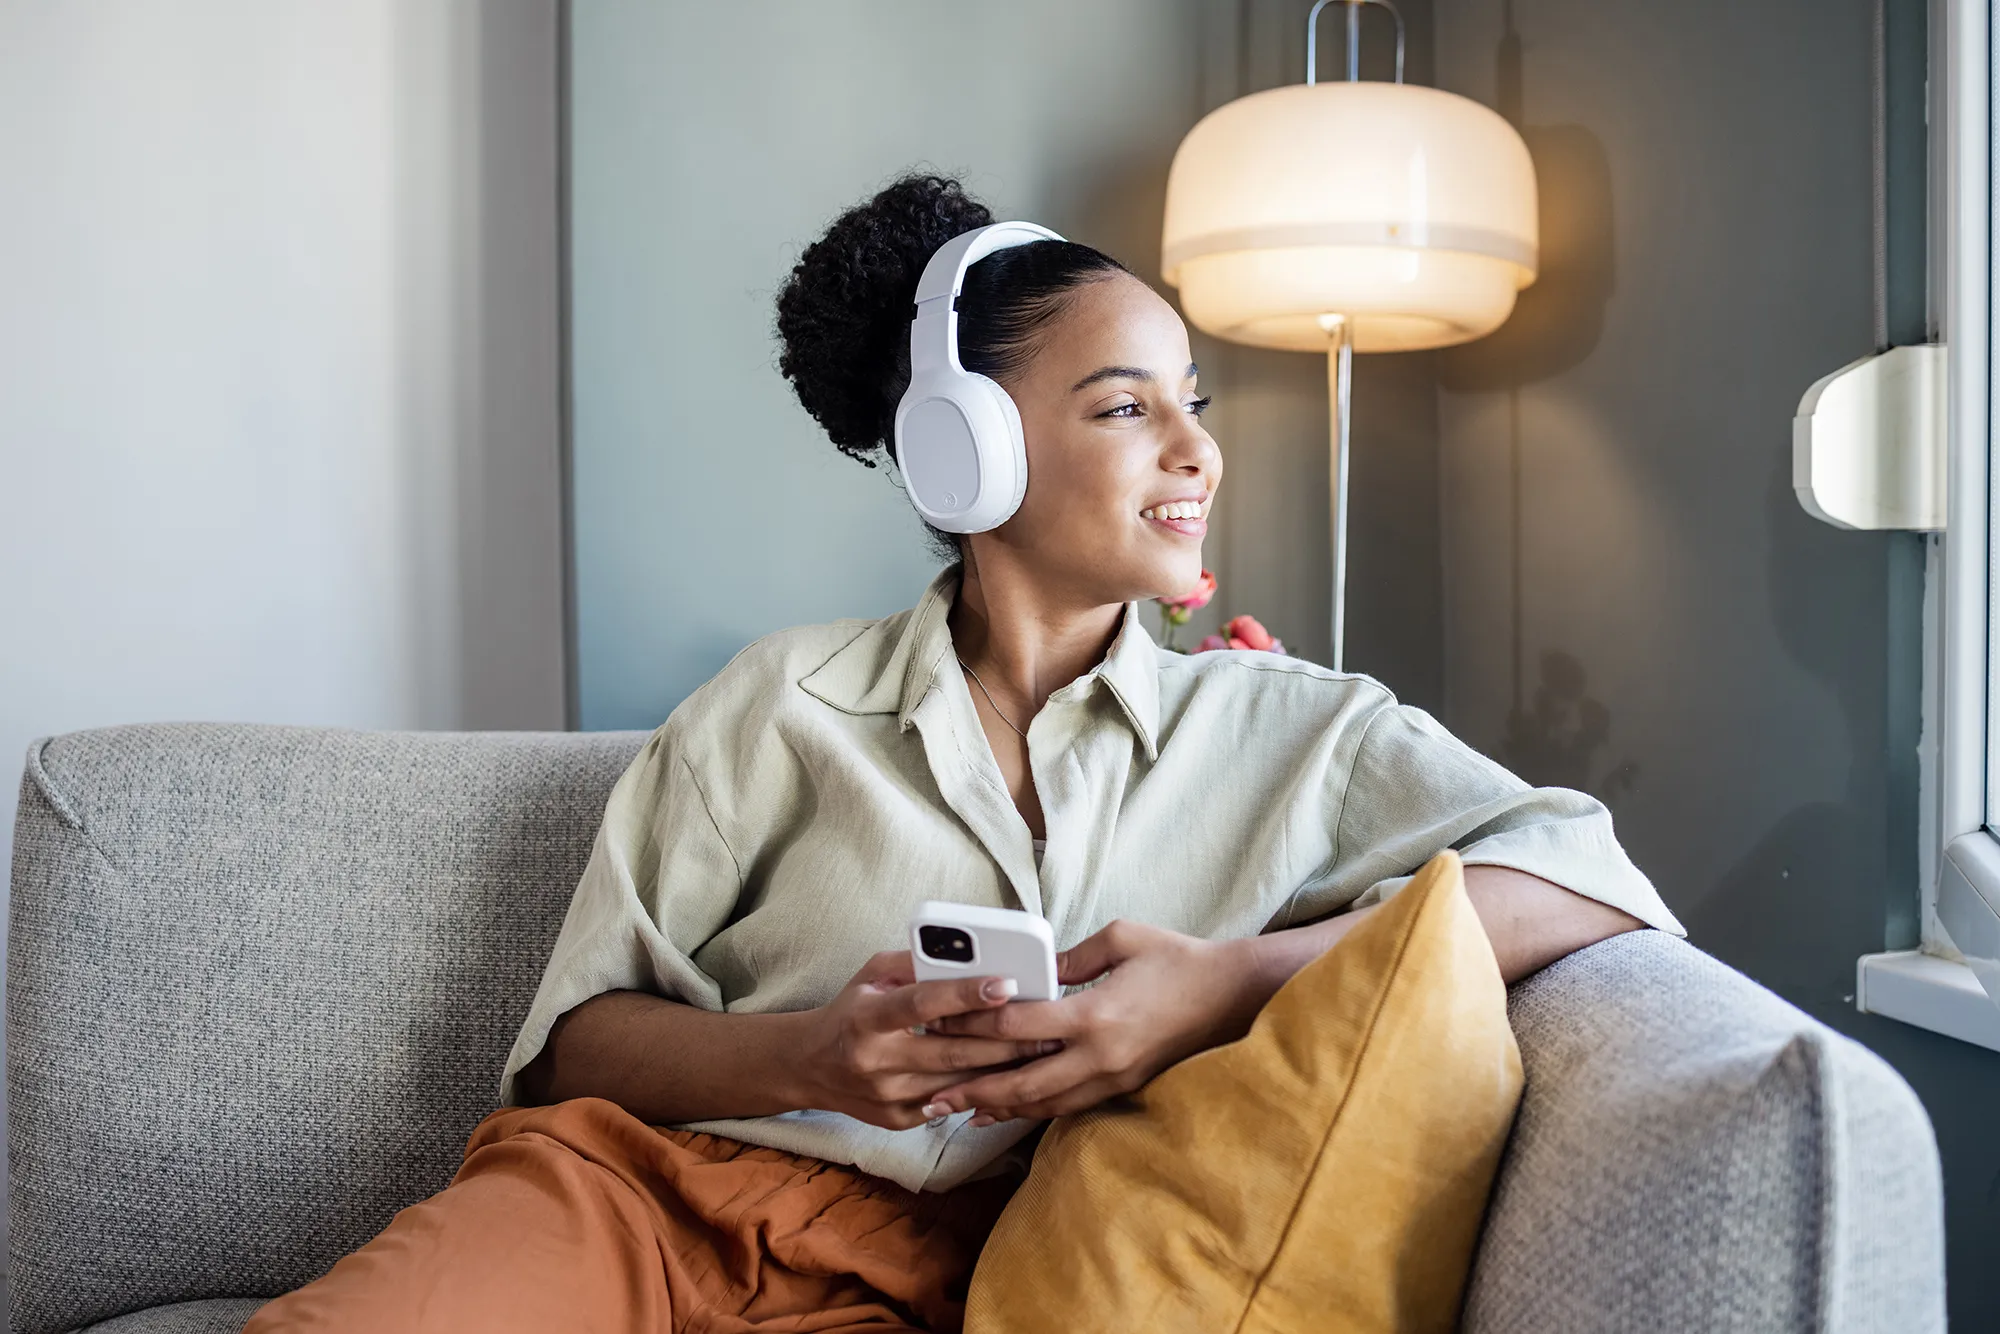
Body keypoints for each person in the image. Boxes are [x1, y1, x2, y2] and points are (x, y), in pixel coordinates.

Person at [246, 173, 1683, 1334]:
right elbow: (573, 1052)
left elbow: (1590, 874)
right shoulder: (778, 702)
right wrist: (810, 1052)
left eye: (1195, 397)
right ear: (967, 452)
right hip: (631, 1202)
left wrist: (1219, 987)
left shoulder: (1296, 728)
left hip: (926, 1278)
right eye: (1127, 405)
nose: (1198, 447)